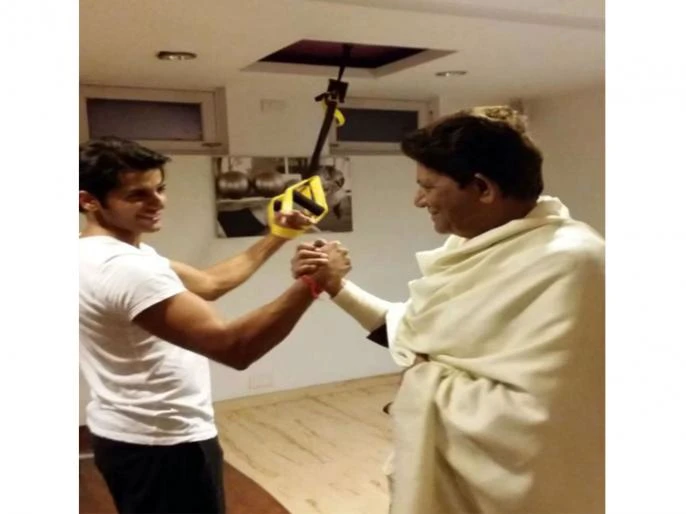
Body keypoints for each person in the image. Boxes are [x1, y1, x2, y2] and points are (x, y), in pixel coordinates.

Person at [292, 106, 605, 514]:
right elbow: (411, 332)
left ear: (482, 188)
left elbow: (547, 418)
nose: (418, 200)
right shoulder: (473, 244)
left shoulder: (573, 262)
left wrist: (420, 381)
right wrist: (335, 285)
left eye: (428, 186)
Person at [79, 136, 350, 514]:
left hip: (126, 434)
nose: (158, 202)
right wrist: (315, 283)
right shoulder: (126, 269)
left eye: (160, 188)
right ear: (89, 201)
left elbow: (210, 283)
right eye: (137, 195)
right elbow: (234, 347)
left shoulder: (98, 253)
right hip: (164, 444)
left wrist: (279, 235)